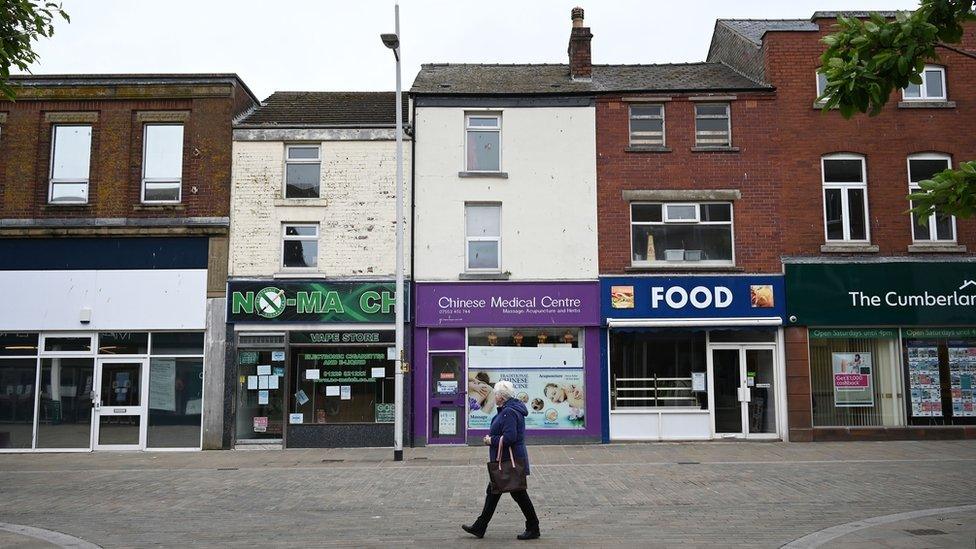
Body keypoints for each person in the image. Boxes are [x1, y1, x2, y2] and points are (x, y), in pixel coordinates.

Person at [462, 380, 540, 540]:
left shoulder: (508, 412)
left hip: (508, 461)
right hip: (507, 460)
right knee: (493, 491)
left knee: (518, 494)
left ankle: (533, 527)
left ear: (501, 397)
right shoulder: (509, 409)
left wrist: (491, 440)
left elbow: (510, 437)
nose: (494, 396)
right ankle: (480, 526)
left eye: (495, 394)